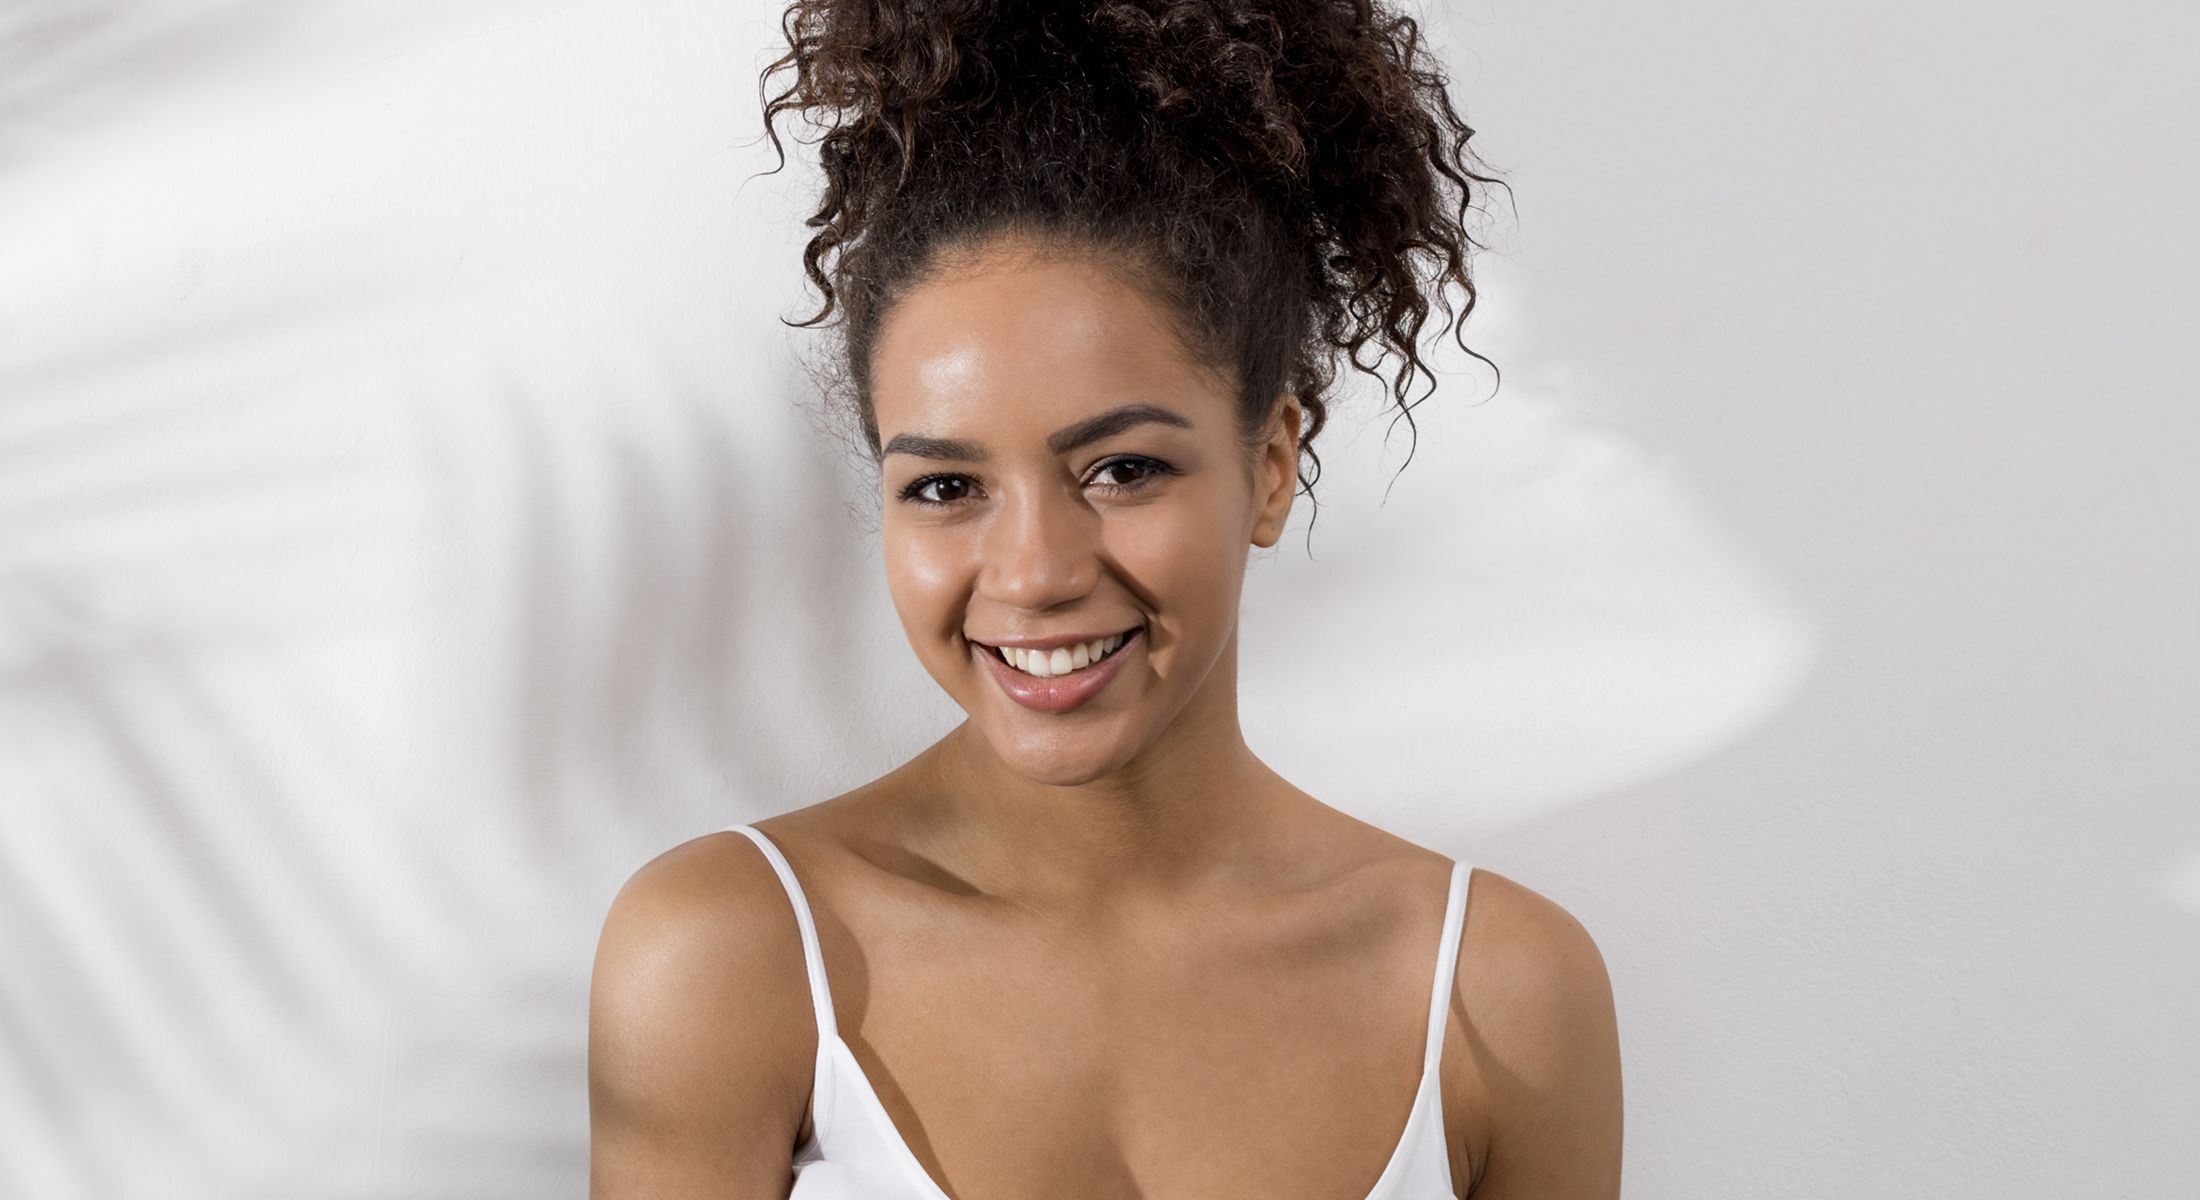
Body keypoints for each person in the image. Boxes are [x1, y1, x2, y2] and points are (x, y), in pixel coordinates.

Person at [589, 1, 1622, 1196]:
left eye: (1121, 470)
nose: (1032, 572)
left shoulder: (1498, 994)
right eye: (944, 484)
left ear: (1270, 467)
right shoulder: (731, 957)